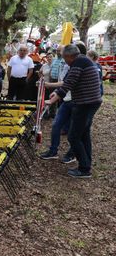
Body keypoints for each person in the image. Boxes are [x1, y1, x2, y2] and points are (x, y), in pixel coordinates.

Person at [48, 44, 102, 178]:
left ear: (69, 56)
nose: (64, 60)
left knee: (73, 136)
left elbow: (69, 83)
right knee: (84, 134)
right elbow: (68, 81)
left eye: (64, 57)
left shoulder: (78, 63)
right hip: (92, 101)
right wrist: (56, 92)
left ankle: (84, 169)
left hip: (85, 103)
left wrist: (51, 101)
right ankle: (86, 165)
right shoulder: (83, 60)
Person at [40, 59, 75, 163]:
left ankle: (72, 154)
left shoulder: (77, 67)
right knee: (56, 125)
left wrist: (51, 86)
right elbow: (64, 82)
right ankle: (53, 151)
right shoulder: (65, 65)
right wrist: (56, 91)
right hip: (66, 100)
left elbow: (66, 83)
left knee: (74, 132)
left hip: (77, 102)